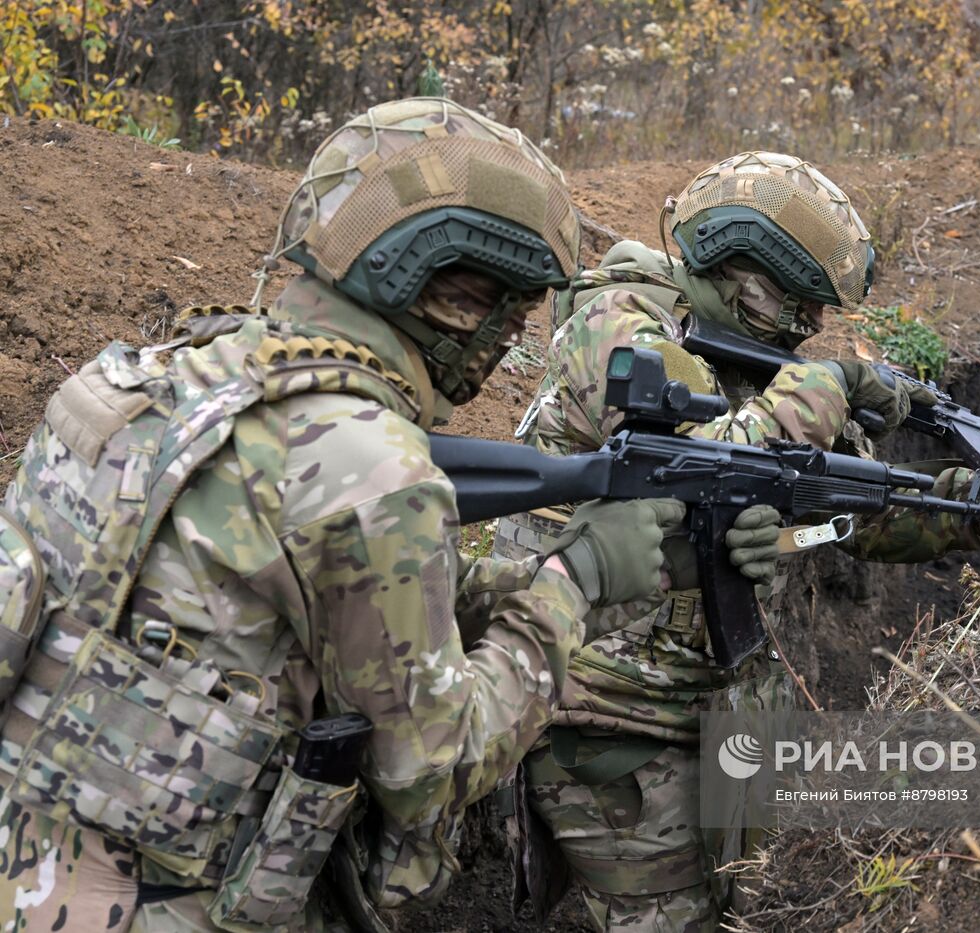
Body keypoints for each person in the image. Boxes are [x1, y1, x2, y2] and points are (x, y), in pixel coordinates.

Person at [0, 98, 751, 933]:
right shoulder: (369, 465)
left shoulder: (153, 380)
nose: (510, 336)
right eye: (506, 309)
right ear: (441, 288)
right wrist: (571, 586)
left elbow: (335, 612)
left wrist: (581, 574)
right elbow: (433, 769)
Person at [495, 151, 980, 931]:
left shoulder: (754, 364)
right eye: (800, 302)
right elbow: (700, 459)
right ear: (738, 266)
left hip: (720, 720)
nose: (812, 326)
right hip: (609, 722)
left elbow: (857, 507)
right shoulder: (615, 326)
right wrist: (831, 386)